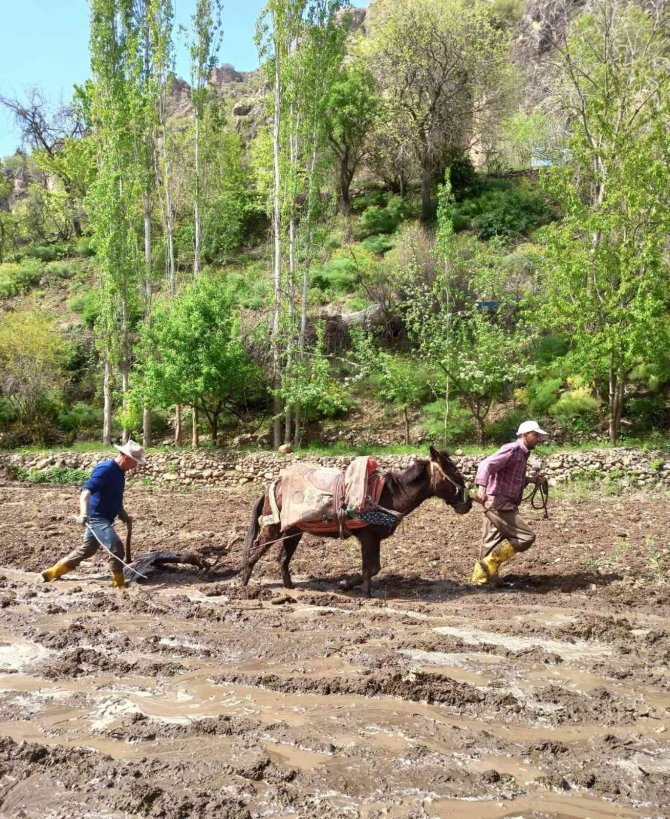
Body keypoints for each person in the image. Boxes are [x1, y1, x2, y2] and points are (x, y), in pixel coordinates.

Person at [40, 440, 146, 589]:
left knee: (88, 549)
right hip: (97, 517)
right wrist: (83, 514)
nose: (135, 466)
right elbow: (85, 492)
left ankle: (53, 572)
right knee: (115, 546)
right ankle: (119, 584)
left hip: (106, 517)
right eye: (134, 462)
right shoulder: (106, 469)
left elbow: (114, 496)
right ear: (126, 458)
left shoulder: (120, 472)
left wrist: (122, 513)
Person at [471, 420, 548, 586]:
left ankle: (481, 579)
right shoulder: (512, 449)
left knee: (490, 542)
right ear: (525, 434)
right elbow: (486, 464)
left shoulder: (522, 454)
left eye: (539, 436)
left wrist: (533, 480)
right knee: (526, 536)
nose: (538, 439)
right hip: (499, 503)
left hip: (497, 503)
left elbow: (512, 478)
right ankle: (490, 563)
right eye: (535, 435)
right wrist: (481, 487)